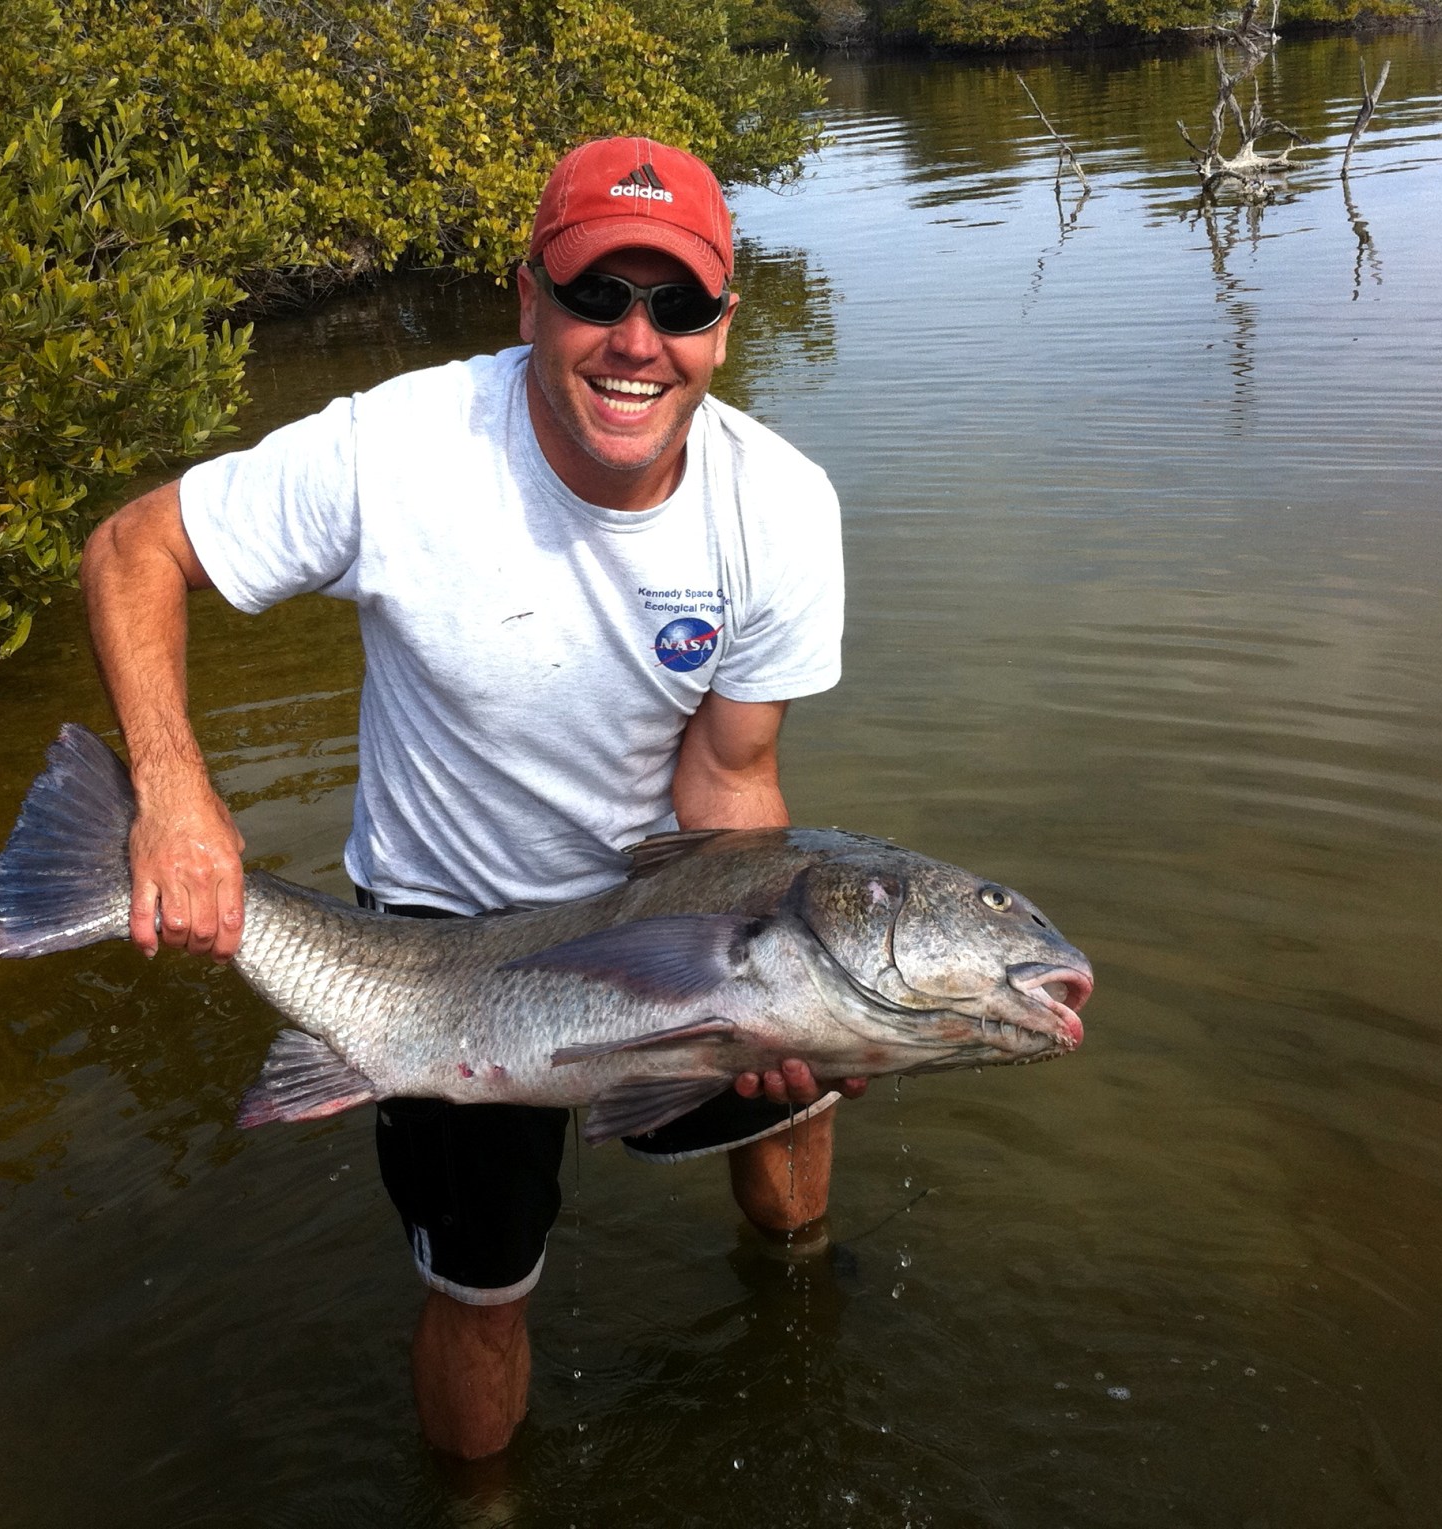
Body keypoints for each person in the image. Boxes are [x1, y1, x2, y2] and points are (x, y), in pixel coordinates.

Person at [79, 136, 860, 1459]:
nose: (634, 340)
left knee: (799, 1118)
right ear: (527, 301)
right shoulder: (401, 447)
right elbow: (132, 545)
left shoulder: (781, 507)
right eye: (595, 295)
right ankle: (480, 1499)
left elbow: (728, 774)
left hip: (653, 909)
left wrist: (769, 976)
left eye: (674, 304)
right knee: (483, 1293)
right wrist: (171, 791)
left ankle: (797, 1318)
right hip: (439, 947)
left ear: (723, 328)